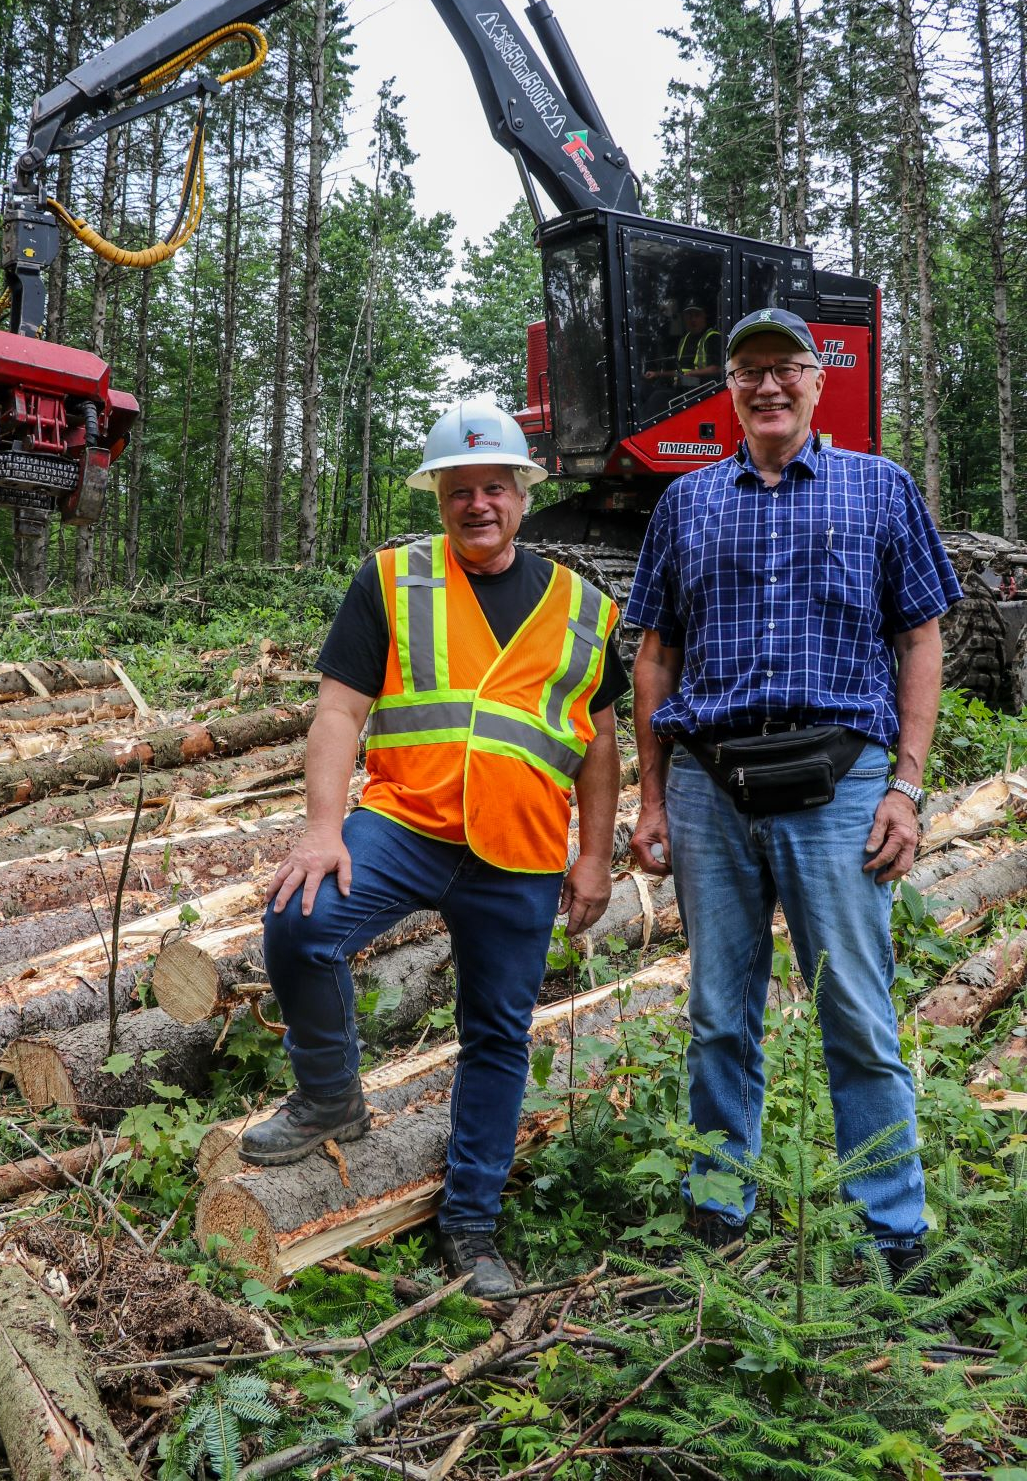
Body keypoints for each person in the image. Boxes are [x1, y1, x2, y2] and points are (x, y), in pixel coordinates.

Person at [241, 401, 628, 1300]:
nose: (478, 503)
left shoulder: (583, 607)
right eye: (461, 489)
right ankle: (330, 1094)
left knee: (496, 1035)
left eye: (495, 486)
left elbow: (601, 745)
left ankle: (471, 1222)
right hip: (405, 823)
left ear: (524, 494)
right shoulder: (392, 579)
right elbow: (341, 709)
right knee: (302, 922)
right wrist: (323, 827)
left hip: (523, 851)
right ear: (439, 497)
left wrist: (596, 855)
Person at [626, 307, 961, 1280]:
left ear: (820, 382)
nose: (767, 385)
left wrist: (907, 784)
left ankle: (894, 1235)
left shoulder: (879, 489)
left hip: (842, 786)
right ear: (728, 391)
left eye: (785, 368)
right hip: (710, 789)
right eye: (748, 371)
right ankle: (716, 1213)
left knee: (856, 1010)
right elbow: (656, 655)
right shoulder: (685, 504)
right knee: (719, 1015)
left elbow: (922, 637)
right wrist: (651, 799)